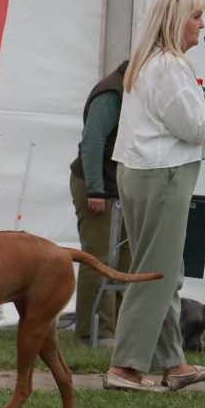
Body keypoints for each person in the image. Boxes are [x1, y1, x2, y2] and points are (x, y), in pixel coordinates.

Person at [102, 0, 205, 392]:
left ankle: (172, 362)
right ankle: (125, 367)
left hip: (142, 171)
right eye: (196, 16)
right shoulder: (170, 66)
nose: (202, 25)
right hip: (164, 175)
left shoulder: (147, 63)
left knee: (163, 269)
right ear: (178, 22)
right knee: (157, 273)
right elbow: (195, 127)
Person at [69, 60, 132, 346]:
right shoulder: (112, 92)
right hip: (98, 188)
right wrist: (96, 190)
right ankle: (94, 333)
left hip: (118, 189)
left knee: (125, 261)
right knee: (98, 260)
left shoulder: (130, 89)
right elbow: (93, 141)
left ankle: (118, 329)